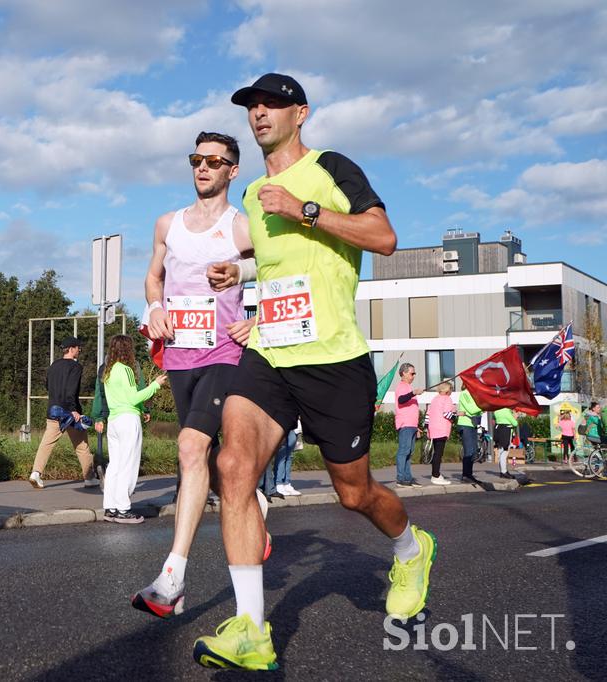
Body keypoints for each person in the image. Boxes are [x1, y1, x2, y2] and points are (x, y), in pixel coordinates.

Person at [192, 73, 436, 672]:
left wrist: (305, 209)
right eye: (251, 105)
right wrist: (239, 275)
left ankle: (411, 548)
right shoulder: (252, 193)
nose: (259, 113)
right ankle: (251, 628)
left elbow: (382, 236)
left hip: (333, 358)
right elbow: (281, 267)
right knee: (233, 466)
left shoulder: (332, 168)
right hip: (271, 352)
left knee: (354, 493)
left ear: (300, 112)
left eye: (271, 103)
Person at [132, 131, 269, 619]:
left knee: (189, 447)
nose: (204, 167)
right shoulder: (167, 224)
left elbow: (282, 269)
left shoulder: (242, 228)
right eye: (197, 159)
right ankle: (253, 508)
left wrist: (259, 318)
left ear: (233, 171)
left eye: (215, 160)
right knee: (206, 461)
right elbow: (154, 276)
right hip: (179, 355)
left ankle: (172, 578)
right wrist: (154, 306)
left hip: (224, 354)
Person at [101, 335, 167, 523]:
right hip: (128, 420)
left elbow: (120, 398)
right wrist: (155, 385)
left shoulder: (108, 371)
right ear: (127, 350)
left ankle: (110, 507)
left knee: (114, 465)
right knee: (128, 465)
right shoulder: (127, 370)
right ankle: (123, 508)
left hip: (113, 420)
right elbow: (132, 398)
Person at [28, 337, 97, 489]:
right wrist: (73, 409)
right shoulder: (75, 367)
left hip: (53, 411)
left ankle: (36, 473)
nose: (79, 350)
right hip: (70, 414)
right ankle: (90, 478)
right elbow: (71, 389)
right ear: (71, 349)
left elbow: (48, 385)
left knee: (46, 444)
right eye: (78, 348)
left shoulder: (54, 365)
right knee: (82, 446)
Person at [394, 363, 424, 488]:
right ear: (404, 373)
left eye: (414, 373)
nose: (414, 376)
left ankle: (408, 478)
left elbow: (411, 409)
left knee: (409, 452)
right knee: (404, 451)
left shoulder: (407, 387)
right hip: (405, 424)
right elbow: (401, 400)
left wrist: (416, 427)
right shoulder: (402, 386)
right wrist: (413, 393)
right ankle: (401, 479)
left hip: (411, 425)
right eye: (412, 373)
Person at [426, 381, 455, 485]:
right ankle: (435, 475)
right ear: (448, 390)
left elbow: (427, 415)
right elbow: (447, 414)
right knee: (439, 453)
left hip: (433, 428)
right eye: (451, 389)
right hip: (442, 428)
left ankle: (436, 474)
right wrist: (456, 415)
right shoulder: (447, 399)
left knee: (436, 452)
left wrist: (427, 427)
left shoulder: (434, 399)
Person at [456, 387, 482, 483]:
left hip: (472, 424)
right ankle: (466, 475)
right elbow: (472, 409)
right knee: (469, 450)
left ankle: (469, 474)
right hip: (465, 424)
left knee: (474, 451)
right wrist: (483, 406)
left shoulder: (474, 394)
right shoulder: (465, 393)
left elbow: (480, 411)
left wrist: (482, 407)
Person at [492, 407, 517, 479]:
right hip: (506, 432)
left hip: (498, 431)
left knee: (500, 451)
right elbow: (515, 423)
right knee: (505, 452)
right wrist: (515, 417)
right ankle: (504, 472)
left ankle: (502, 471)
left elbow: (495, 420)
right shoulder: (506, 411)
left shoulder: (496, 410)